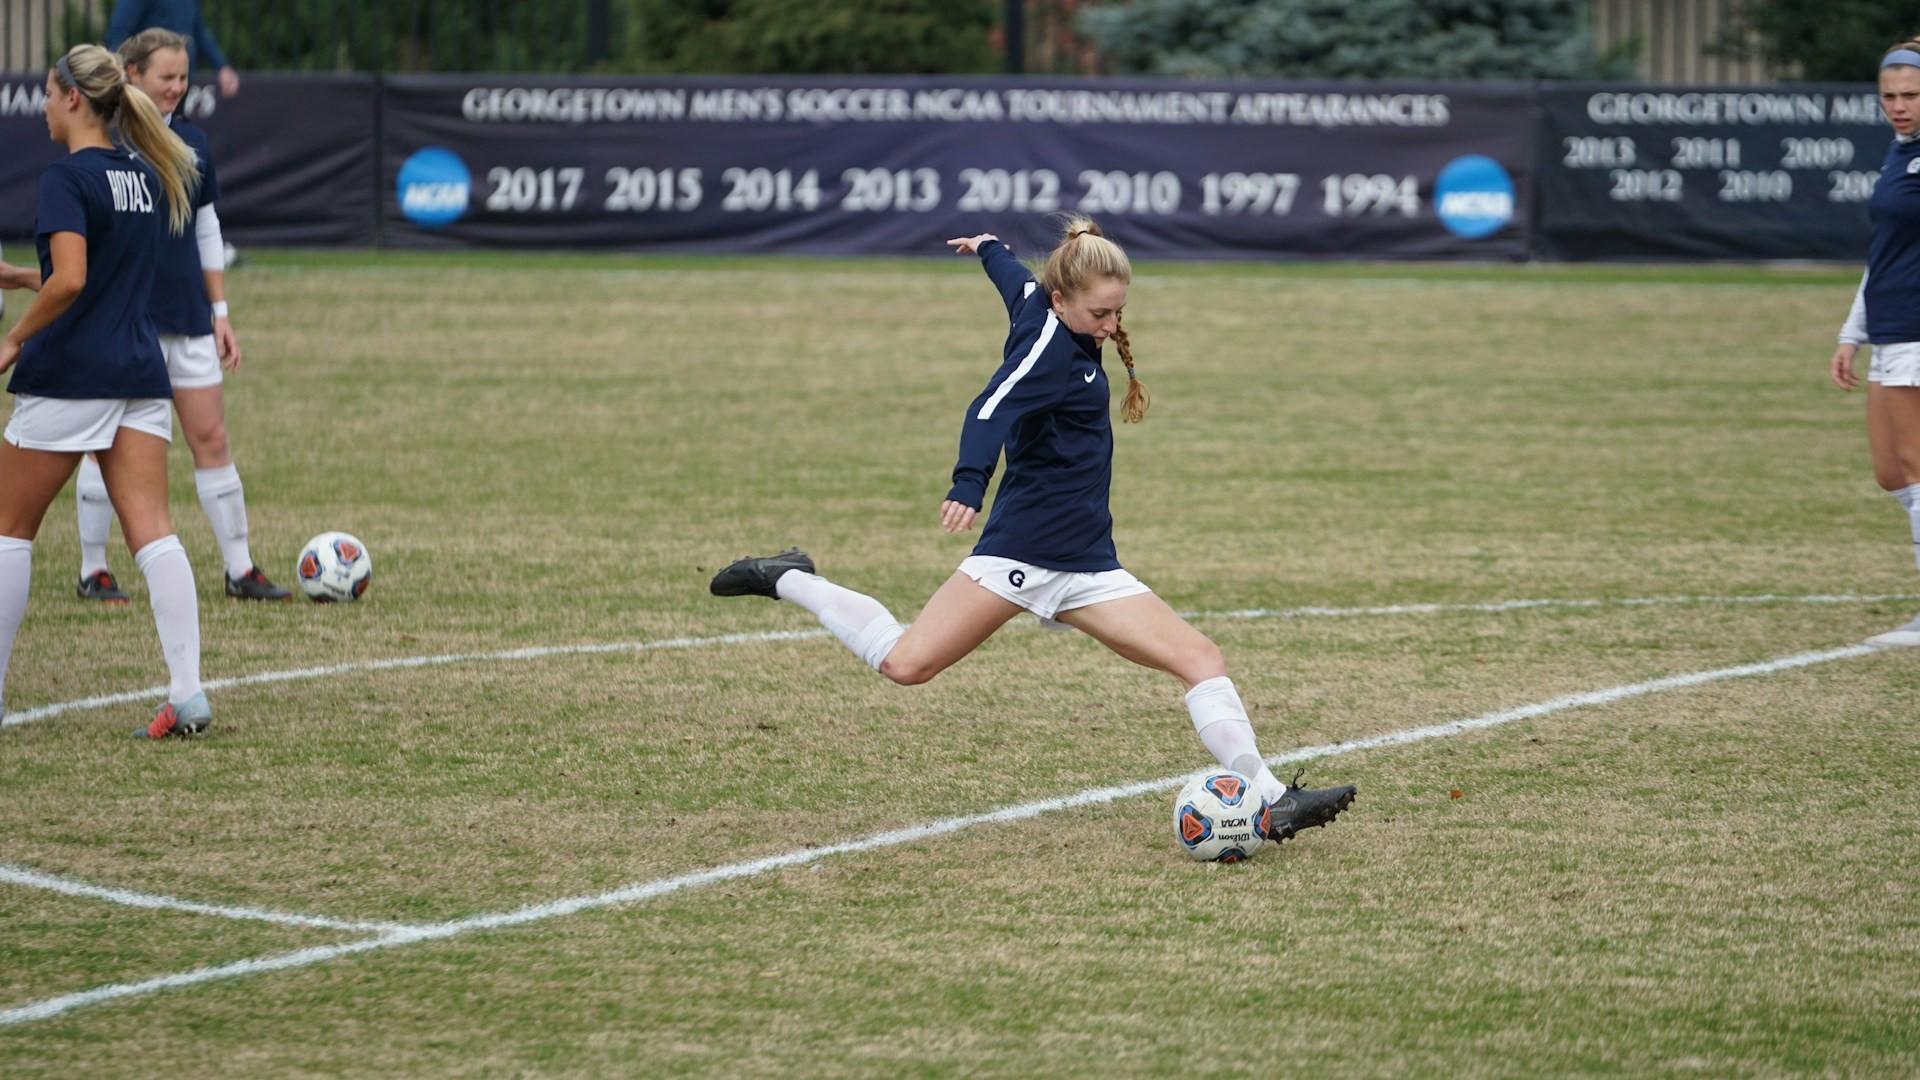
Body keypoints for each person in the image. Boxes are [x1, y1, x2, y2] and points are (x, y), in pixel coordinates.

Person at [710, 217, 1356, 843]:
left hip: (1088, 566)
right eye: (1099, 315)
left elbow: (1014, 281)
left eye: (1118, 313)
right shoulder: (1048, 349)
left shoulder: (1043, 309)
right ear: (1061, 301)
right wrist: (968, 483)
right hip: (1019, 555)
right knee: (906, 664)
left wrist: (991, 246)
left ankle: (1271, 801)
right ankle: (788, 575)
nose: (1110, 327)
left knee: (1201, 660)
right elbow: (989, 406)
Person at [0, 43, 210, 737]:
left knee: (7, 532)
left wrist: (13, 339)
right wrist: (28, 276)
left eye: (46, 91)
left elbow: (74, 280)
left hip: (72, 375)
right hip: (138, 373)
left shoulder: (67, 177)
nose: (40, 105)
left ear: (72, 99)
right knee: (153, 532)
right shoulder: (146, 174)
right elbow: (96, 273)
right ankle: (188, 693)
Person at [65, 28, 288, 605]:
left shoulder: (193, 142)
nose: (177, 87)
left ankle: (240, 569)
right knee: (103, 441)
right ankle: (94, 570)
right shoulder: (102, 141)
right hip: (125, 319)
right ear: (132, 75)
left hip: (187, 316)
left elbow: (207, 228)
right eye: (167, 76)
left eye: (184, 77)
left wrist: (220, 311)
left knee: (210, 436)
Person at [1832, 39, 1920, 648]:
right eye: (1888, 96)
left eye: (1911, 94)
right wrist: (1851, 332)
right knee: (1891, 473)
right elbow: (1883, 254)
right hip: (1888, 325)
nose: (1899, 106)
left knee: (1916, 463)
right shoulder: (1899, 155)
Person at [106, 0, 239, 98]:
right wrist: (119, 75)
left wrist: (222, 66)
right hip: (149, 84)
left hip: (182, 82)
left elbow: (198, 32)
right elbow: (118, 36)